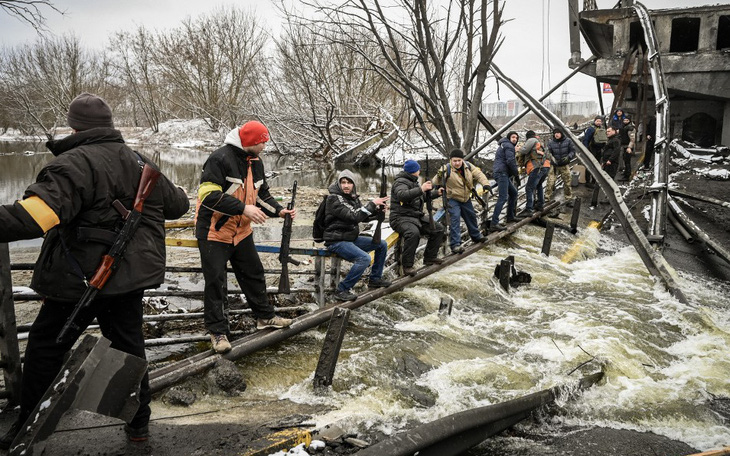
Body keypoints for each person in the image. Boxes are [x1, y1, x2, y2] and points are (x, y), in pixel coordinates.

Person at [0, 93, 190, 448]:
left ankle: (27, 427)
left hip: (77, 282)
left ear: (74, 126)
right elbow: (177, 205)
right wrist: (173, 187)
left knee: (45, 350)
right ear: (109, 125)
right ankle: (139, 429)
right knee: (130, 350)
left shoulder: (72, 163)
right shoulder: (136, 160)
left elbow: (34, 218)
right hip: (128, 281)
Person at [196, 120, 295, 354]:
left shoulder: (256, 162)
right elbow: (207, 195)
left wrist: (279, 211)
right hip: (214, 232)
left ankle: (264, 317)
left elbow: (262, 196)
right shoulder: (219, 159)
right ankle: (218, 332)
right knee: (215, 282)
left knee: (254, 273)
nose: (265, 146)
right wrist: (243, 209)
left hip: (241, 232)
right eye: (262, 142)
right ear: (250, 142)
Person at [323, 169, 391, 301]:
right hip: (336, 240)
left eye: (349, 182)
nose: (346, 185)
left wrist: (378, 212)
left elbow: (363, 217)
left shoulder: (352, 198)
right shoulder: (334, 198)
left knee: (381, 244)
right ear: (339, 184)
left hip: (349, 238)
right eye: (343, 182)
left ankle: (375, 279)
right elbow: (353, 216)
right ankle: (342, 289)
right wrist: (371, 204)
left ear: (353, 184)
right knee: (364, 259)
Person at [389, 160, 445, 276]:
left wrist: (436, 193)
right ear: (414, 171)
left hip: (415, 216)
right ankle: (407, 266)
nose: (419, 171)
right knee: (413, 234)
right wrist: (421, 189)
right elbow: (402, 196)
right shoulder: (400, 182)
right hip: (400, 217)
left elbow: (420, 197)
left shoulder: (412, 181)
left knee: (438, 229)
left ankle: (429, 257)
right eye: (418, 169)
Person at [432, 148, 489, 254]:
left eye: (459, 160)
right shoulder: (446, 168)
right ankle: (455, 244)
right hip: (452, 198)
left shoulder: (468, 166)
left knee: (471, 216)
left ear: (462, 160)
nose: (457, 163)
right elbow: (435, 181)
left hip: (466, 198)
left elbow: (479, 174)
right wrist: (440, 175)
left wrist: (485, 184)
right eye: (454, 161)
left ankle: (476, 236)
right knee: (455, 219)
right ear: (451, 160)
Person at [490, 131, 520, 232]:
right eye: (513, 137)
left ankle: (510, 216)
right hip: (501, 173)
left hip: (502, 173)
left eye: (516, 138)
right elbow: (510, 161)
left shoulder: (505, 145)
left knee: (514, 193)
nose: (515, 139)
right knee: (503, 197)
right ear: (509, 138)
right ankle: (494, 223)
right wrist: (516, 175)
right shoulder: (509, 146)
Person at [518, 130, 551, 217]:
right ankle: (540, 205)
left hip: (537, 167)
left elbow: (524, 151)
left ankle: (529, 209)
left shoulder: (531, 140)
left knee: (529, 188)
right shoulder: (539, 142)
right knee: (539, 185)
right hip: (545, 166)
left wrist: (518, 149)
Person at [546, 127, 576, 202]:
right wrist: (552, 158)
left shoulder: (568, 141)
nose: (556, 135)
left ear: (561, 134)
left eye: (558, 133)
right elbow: (548, 152)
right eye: (555, 133)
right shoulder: (551, 142)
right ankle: (546, 198)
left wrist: (568, 157)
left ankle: (568, 198)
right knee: (550, 182)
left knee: (567, 182)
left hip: (564, 165)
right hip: (554, 166)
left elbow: (573, 151)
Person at [582, 116, 607, 186]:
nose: (599, 122)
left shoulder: (602, 129)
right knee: (589, 166)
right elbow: (586, 139)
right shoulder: (591, 129)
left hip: (599, 150)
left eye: (600, 121)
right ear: (594, 121)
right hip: (591, 149)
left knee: (597, 165)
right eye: (597, 121)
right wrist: (586, 149)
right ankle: (587, 181)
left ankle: (594, 180)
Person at [618, 115, 636, 180]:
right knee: (625, 160)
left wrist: (629, 147)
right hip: (624, 145)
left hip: (628, 146)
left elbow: (632, 139)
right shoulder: (624, 127)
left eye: (627, 120)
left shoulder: (630, 128)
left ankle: (627, 176)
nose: (625, 121)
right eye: (624, 120)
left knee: (627, 161)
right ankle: (626, 172)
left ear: (629, 120)